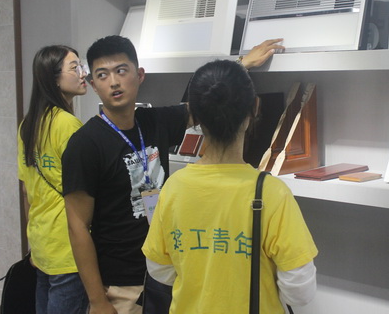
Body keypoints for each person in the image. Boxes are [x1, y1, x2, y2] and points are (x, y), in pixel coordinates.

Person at [62, 35, 282, 314]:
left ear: (139, 75)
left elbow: (207, 100)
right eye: (102, 75)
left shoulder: (154, 121)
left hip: (166, 274)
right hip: (120, 285)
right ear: (93, 85)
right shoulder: (85, 144)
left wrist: (240, 65)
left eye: (121, 70)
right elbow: (77, 226)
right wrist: (97, 300)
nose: (114, 82)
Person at [142, 59, 318, 313]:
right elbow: (299, 292)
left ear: (195, 115)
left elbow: (159, 270)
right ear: (255, 107)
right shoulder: (272, 192)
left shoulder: (174, 187)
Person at [17, 44, 89, 314]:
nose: (83, 73)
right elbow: (85, 190)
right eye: (74, 68)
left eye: (81, 66)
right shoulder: (68, 125)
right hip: (68, 246)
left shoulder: (28, 124)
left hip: (42, 243)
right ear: (54, 78)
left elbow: (26, 190)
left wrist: (34, 243)